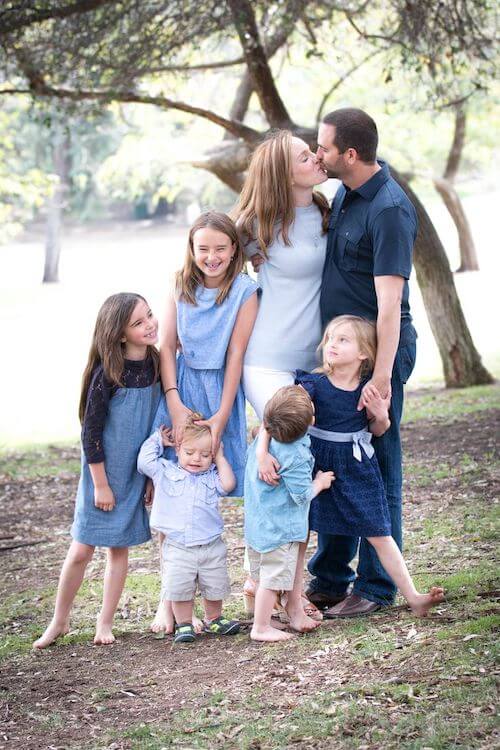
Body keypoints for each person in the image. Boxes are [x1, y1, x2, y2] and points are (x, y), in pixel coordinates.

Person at [305, 107, 419, 617]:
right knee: (331, 457)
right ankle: (330, 579)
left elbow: (390, 308)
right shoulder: (346, 192)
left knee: (375, 467)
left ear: (349, 154)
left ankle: (375, 589)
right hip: (342, 356)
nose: (317, 153)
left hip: (377, 356)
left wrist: (381, 380)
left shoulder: (389, 210)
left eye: (323, 147)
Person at [233, 130, 329, 618]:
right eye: (304, 155)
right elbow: (203, 259)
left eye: (314, 151)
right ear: (280, 171)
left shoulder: (332, 210)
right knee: (286, 462)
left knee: (303, 470)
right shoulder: (255, 224)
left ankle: (269, 585)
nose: (316, 157)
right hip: (267, 360)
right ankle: (286, 599)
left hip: (315, 361)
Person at [150, 211, 259, 633]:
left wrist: (223, 413)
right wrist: (175, 402)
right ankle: (170, 599)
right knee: (173, 491)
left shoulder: (246, 291)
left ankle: (241, 586)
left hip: (222, 394)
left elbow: (236, 352)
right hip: (182, 388)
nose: (211, 257)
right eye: (203, 249)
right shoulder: (181, 285)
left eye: (220, 248)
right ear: (192, 251)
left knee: (217, 488)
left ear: (234, 250)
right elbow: (167, 346)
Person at [33, 293, 162, 649]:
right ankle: (59, 620)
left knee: (119, 551)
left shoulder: (156, 363)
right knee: (81, 549)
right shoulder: (108, 371)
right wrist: (100, 485)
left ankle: (104, 623)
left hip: (133, 472)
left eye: (149, 315)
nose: (150, 324)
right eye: (138, 322)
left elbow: (155, 424)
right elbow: (90, 432)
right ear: (120, 334)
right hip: (101, 473)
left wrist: (150, 477)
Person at [294, 316, 444, 617]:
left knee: (379, 531)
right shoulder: (312, 384)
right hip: (318, 469)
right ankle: (293, 596)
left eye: (343, 340)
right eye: (330, 338)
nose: (331, 344)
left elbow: (378, 430)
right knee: (300, 531)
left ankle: (413, 596)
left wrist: (380, 415)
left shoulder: (369, 389)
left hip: (356, 470)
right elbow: (287, 417)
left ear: (364, 353)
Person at [138, 415, 240, 644]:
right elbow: (144, 461)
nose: (197, 459)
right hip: (178, 544)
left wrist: (221, 458)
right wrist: (158, 439)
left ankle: (215, 618)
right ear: (178, 450)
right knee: (179, 586)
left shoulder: (212, 476)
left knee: (214, 584)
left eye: (205, 455)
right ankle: (183, 624)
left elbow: (228, 485)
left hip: (211, 544)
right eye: (190, 452)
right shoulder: (165, 472)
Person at [244, 386, 334, 642]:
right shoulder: (295, 455)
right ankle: (260, 627)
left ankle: (273, 618)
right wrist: (319, 482)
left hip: (259, 523)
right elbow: (301, 495)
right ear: (311, 423)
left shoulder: (266, 437)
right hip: (280, 529)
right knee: (272, 580)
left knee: (265, 576)